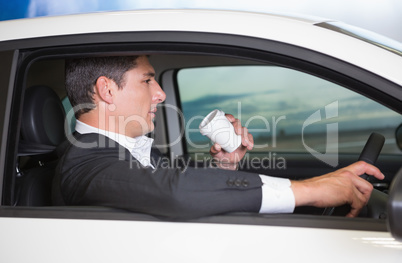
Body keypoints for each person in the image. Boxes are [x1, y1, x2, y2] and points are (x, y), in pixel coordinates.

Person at [52, 55, 384, 219]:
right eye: (147, 81)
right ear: (107, 90)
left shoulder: (131, 151)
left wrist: (225, 166)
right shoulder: (84, 162)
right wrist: (311, 190)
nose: (161, 94)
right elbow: (175, 192)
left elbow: (174, 184)